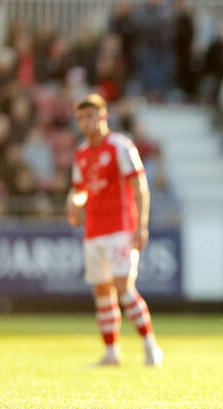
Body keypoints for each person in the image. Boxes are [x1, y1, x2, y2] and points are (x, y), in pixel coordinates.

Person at [65, 93, 163, 367]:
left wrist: (141, 225)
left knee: (123, 286)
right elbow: (79, 189)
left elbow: (140, 185)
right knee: (101, 291)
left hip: (120, 227)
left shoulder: (120, 146)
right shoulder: (81, 153)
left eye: (90, 116)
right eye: (80, 118)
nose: (85, 122)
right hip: (93, 230)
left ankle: (151, 347)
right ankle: (111, 352)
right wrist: (73, 201)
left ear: (103, 116)